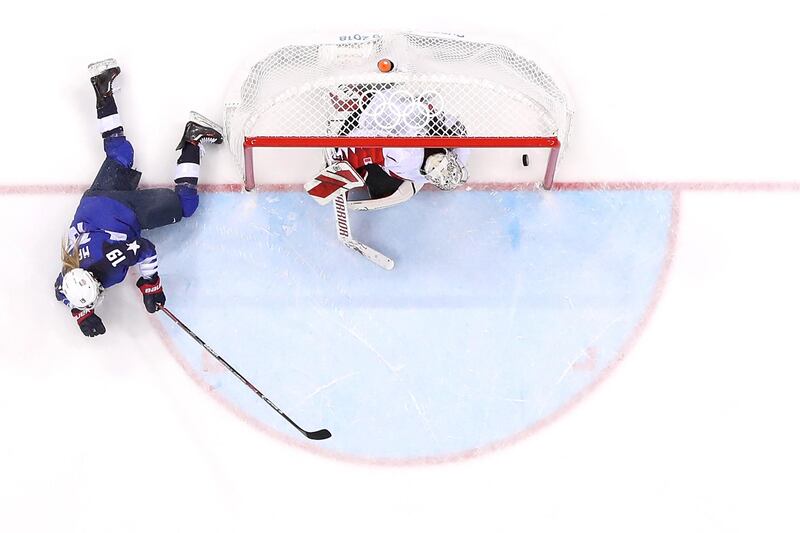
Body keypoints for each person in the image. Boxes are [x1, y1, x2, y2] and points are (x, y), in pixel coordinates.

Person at [55, 58, 223, 337]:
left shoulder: (109, 261)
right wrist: (82, 315)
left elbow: (145, 248)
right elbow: (62, 294)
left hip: (122, 211)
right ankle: (102, 88)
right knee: (120, 154)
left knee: (185, 205)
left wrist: (151, 285)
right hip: (94, 203)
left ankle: (193, 138)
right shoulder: (66, 281)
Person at [331, 87, 471, 211]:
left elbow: (363, 142)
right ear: (450, 157)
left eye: (434, 167)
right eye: (440, 161)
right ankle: (353, 97)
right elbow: (364, 142)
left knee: (389, 190)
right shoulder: (409, 157)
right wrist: (340, 160)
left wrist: (343, 160)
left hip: (384, 107)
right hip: (380, 106)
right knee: (385, 189)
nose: (435, 162)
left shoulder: (407, 157)